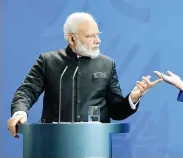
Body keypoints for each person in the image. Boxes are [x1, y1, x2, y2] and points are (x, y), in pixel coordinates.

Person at [7, 12, 162, 138]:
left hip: (94, 145)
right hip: (53, 142)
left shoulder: (107, 64)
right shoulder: (48, 61)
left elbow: (116, 111)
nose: (98, 41)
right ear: (71, 38)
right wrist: (20, 112)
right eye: (90, 36)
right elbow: (26, 91)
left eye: (98, 34)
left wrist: (133, 98)